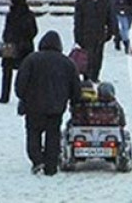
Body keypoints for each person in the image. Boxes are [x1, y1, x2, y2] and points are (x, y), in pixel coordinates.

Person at [15, 30, 83, 176]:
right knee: (53, 136)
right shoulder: (67, 62)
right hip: (56, 107)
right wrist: (74, 100)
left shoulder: (31, 59)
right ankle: (51, 166)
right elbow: (75, 87)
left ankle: (37, 160)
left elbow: (20, 83)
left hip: (33, 106)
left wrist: (23, 96)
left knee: (33, 134)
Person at [0, 0, 37, 103]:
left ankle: (5, 96)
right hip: (26, 47)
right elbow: (34, 31)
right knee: (26, 73)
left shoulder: (11, 14)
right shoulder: (29, 14)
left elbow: (7, 31)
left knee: (6, 72)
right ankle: (26, 95)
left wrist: (8, 40)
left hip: (11, 47)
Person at [73, 0, 113, 81]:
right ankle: (87, 77)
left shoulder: (105, 2)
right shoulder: (81, 3)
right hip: (86, 35)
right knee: (88, 57)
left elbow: (110, 18)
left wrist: (110, 32)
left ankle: (95, 76)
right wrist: (78, 37)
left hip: (100, 34)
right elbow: (77, 22)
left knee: (98, 57)